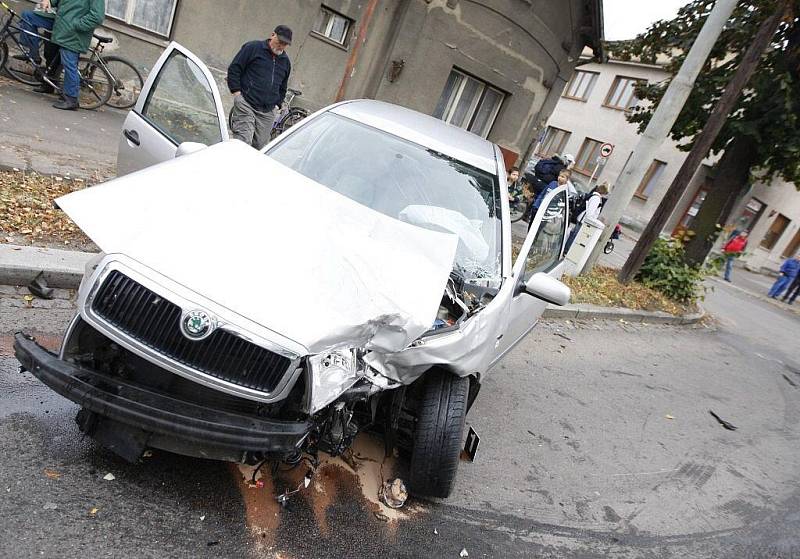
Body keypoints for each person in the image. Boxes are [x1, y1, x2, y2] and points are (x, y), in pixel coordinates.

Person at [227, 25, 293, 149]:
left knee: (260, 147)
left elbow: (283, 86)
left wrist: (277, 104)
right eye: (280, 42)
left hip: (268, 111)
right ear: (272, 35)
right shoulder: (253, 48)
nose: (281, 46)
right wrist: (236, 93)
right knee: (243, 142)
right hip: (246, 103)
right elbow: (235, 68)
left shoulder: (285, 62)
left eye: (285, 44)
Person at [49, 0, 105, 110]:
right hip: (65, 30)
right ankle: (66, 95)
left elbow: (97, 16)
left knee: (69, 65)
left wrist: (77, 25)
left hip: (74, 34)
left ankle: (71, 99)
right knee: (67, 64)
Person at [564, 181, 609, 252]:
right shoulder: (596, 199)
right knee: (575, 236)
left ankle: (566, 249)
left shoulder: (592, 196)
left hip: (581, 218)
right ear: (603, 193)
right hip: (585, 220)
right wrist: (592, 220)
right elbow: (590, 212)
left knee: (574, 235)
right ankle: (566, 250)